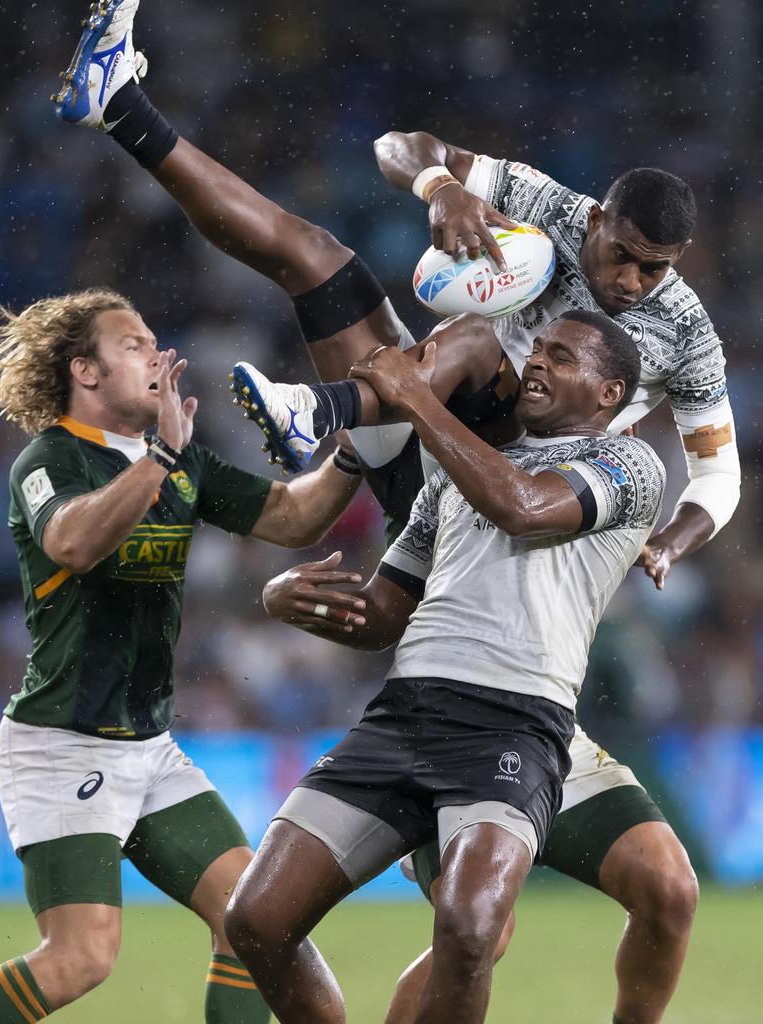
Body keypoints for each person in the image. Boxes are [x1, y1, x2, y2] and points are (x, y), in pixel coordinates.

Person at [52, 5, 698, 1021]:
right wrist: (441, 183)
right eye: (618, 253)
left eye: (648, 271)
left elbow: (703, 479)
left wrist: (676, 538)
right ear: (599, 224)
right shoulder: (546, 224)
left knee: (621, 895)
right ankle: (126, 110)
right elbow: (402, 149)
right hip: (442, 502)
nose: (625, 277)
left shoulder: (667, 354)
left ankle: (337, 408)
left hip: (502, 591)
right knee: (324, 261)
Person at [222, 311, 667, 1024]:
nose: (539, 363)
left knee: (469, 927)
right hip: (403, 715)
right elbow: (383, 616)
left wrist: (415, 400)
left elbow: (525, 507)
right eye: (538, 350)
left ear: (610, 393)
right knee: (255, 918)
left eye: (563, 355)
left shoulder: (628, 465)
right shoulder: (450, 480)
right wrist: (290, 599)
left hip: (512, 725)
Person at [0, 287, 363, 1024]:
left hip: (151, 748)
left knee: (257, 926)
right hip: (64, 746)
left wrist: (363, 449)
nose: (159, 356)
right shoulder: (49, 460)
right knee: (80, 960)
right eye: (133, 344)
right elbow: (73, 541)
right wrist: (162, 453)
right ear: (85, 372)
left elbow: (293, 517)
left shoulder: (179, 463)